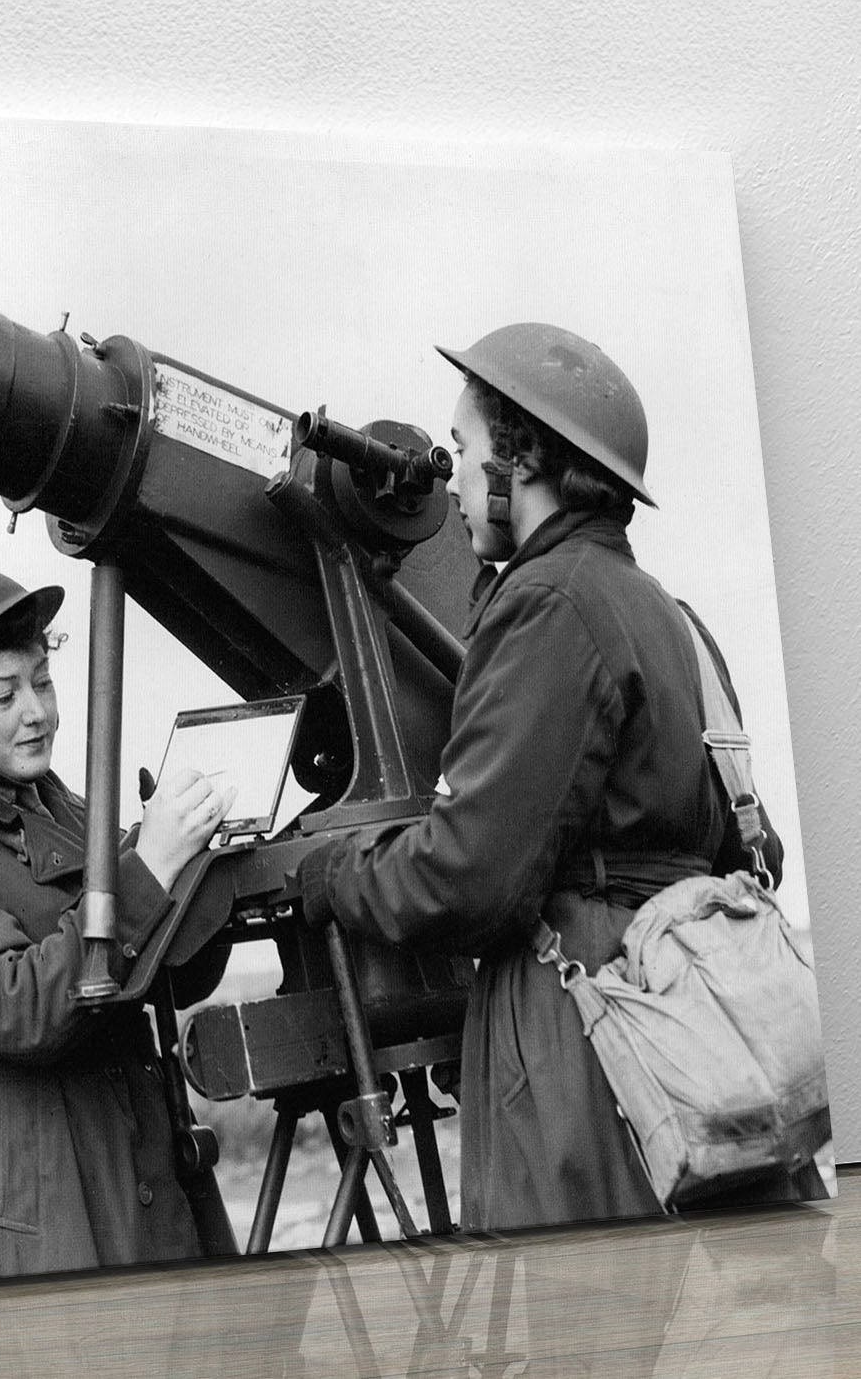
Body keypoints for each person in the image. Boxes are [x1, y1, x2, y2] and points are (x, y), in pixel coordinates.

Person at [296, 323, 812, 1231]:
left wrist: (334, 876)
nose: (453, 481)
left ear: (521, 459)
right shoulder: (677, 620)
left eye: (463, 450)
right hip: (709, 1049)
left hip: (586, 1048)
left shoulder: (544, 605)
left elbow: (467, 879)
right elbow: (753, 845)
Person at [0, 567, 232, 1285]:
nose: (38, 713)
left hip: (133, 1158)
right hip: (15, 1187)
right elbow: (20, 1009)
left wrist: (202, 874)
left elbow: (176, 978)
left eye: (43, 683)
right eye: (4, 695)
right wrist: (148, 870)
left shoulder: (75, 816)